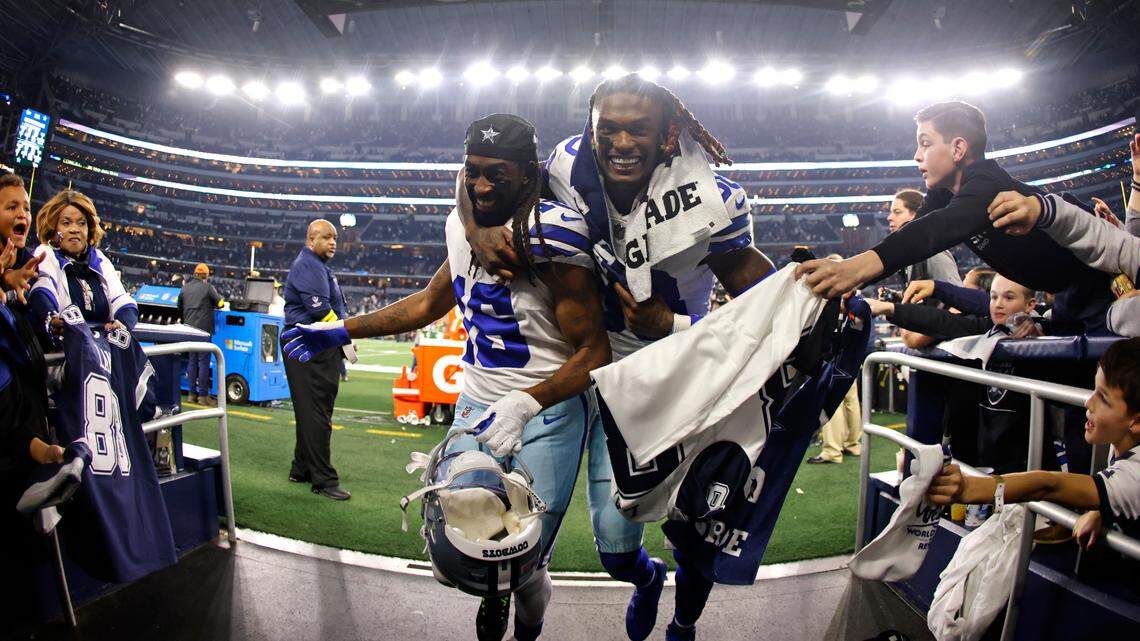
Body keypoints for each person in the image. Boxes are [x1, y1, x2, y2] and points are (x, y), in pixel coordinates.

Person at [459, 75, 776, 641]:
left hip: (658, 372)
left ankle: (648, 581)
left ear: (667, 134)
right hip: (578, 361)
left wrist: (672, 324)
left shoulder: (712, 198)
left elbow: (762, 316)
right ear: (591, 127)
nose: (620, 142)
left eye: (638, 129)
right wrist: (474, 224)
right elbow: (478, 177)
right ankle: (511, 586)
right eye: (608, 128)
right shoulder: (565, 165)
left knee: (618, 543)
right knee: (525, 514)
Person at [281, 114, 610, 641]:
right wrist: (342, 329)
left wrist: (527, 402)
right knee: (465, 531)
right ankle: (494, 594)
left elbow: (594, 351)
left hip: (546, 410)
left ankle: (526, 620)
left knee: (522, 557)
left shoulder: (554, 233)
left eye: (496, 175)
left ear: (528, 174)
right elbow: (434, 301)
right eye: (472, 171)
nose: (481, 186)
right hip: (476, 401)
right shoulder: (462, 222)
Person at [795, 101, 1115, 335]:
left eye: (925, 143)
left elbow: (935, 231)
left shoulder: (987, 184)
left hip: (1106, 292)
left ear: (959, 148)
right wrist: (855, 281)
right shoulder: (945, 194)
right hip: (1070, 295)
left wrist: (853, 268)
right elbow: (910, 237)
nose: (917, 156)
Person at [927, 337, 1140, 546]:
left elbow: (1047, 485)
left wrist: (971, 487)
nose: (1088, 402)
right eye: (1094, 390)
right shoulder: (1123, 434)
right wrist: (1101, 508)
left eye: (1103, 398)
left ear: (1136, 421)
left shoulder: (1134, 474)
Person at [985, 133, 1140, 337]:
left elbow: (1124, 253)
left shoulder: (1083, 286)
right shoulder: (1066, 294)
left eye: (1008, 297)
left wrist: (1042, 209)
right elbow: (1132, 251)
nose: (999, 305)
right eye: (994, 297)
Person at [282, 219, 351, 501]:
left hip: (313, 348)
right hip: (310, 346)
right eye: (327, 237)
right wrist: (348, 335)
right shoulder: (309, 264)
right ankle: (323, 479)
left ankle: (301, 468)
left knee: (310, 411)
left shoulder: (316, 265)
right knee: (317, 414)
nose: (333, 242)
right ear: (311, 239)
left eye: (335, 237)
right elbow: (322, 312)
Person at [29, 190, 138, 337]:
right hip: (60, 352)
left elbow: (122, 301)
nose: (74, 229)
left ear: (89, 229)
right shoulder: (46, 253)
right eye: (66, 223)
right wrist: (51, 318)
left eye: (81, 223)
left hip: (102, 351)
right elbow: (43, 289)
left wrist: (122, 323)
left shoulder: (100, 260)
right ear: (54, 228)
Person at [886, 188, 962, 286]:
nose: (889, 217)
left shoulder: (934, 255)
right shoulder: (912, 253)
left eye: (897, 212)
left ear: (916, 215)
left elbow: (955, 296)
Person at [178, 263, 224, 404]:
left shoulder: (185, 288)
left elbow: (179, 306)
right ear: (206, 275)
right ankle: (203, 396)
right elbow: (220, 303)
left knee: (192, 361)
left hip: (189, 330)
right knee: (203, 362)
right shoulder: (208, 288)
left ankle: (192, 395)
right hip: (203, 331)